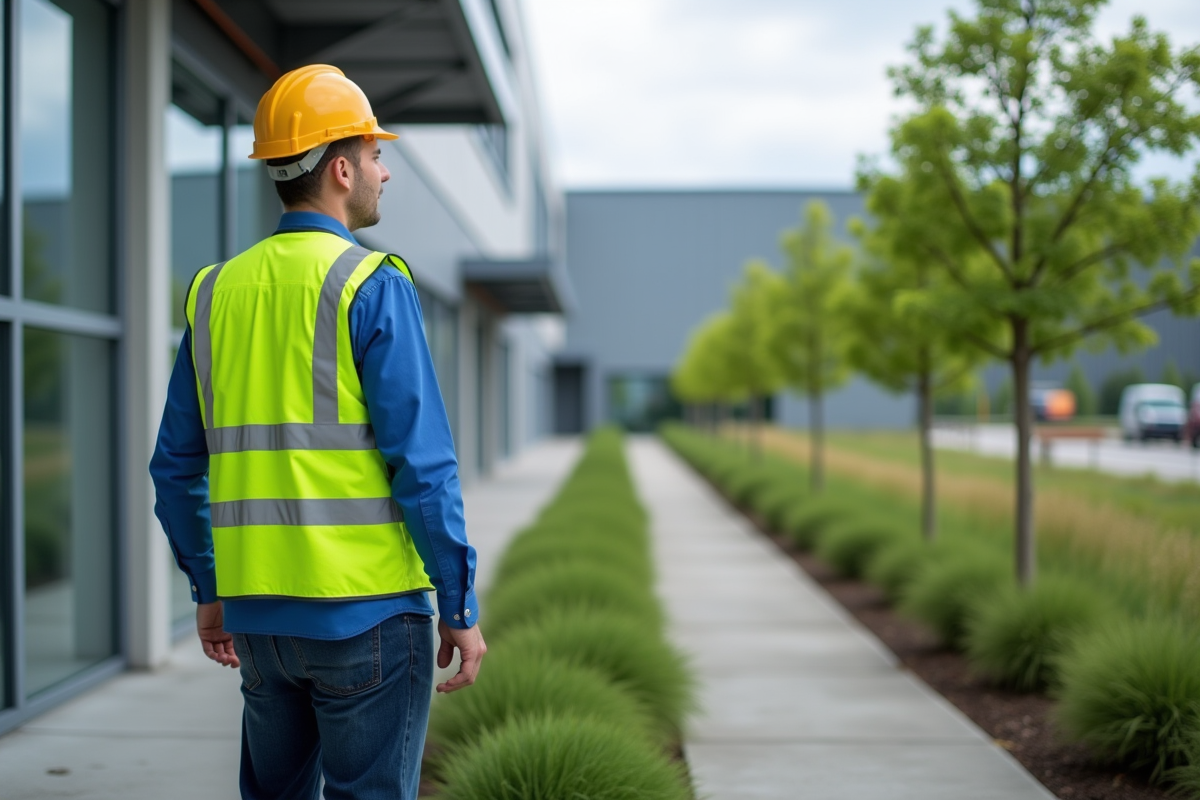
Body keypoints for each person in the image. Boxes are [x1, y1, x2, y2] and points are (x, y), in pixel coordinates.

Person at [149, 64, 485, 800]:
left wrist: (211, 585)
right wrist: (457, 603)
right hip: (369, 615)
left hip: (261, 625)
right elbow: (423, 468)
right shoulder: (371, 285)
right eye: (374, 156)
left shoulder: (213, 293)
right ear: (340, 168)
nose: (384, 173)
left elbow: (174, 469)